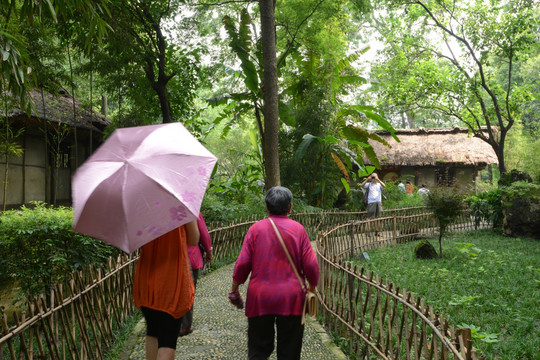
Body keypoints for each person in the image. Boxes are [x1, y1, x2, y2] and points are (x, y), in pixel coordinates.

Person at [229, 186, 319, 360]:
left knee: (258, 350)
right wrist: (312, 287)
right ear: (290, 207)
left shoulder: (255, 230)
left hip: (260, 297)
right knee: (289, 351)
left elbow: (242, 264)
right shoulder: (298, 230)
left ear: (267, 206)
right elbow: (311, 265)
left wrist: (235, 288)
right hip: (291, 298)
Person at [133, 221, 199, 360]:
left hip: (147, 278)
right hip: (171, 279)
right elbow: (194, 239)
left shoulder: (144, 204)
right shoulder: (182, 203)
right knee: (167, 340)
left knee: (152, 332)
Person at [179, 213, 213, 337]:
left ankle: (170, 323)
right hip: (189, 257)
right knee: (188, 291)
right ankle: (184, 326)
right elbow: (202, 233)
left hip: (168, 259)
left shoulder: (160, 209)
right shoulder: (190, 209)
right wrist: (208, 250)